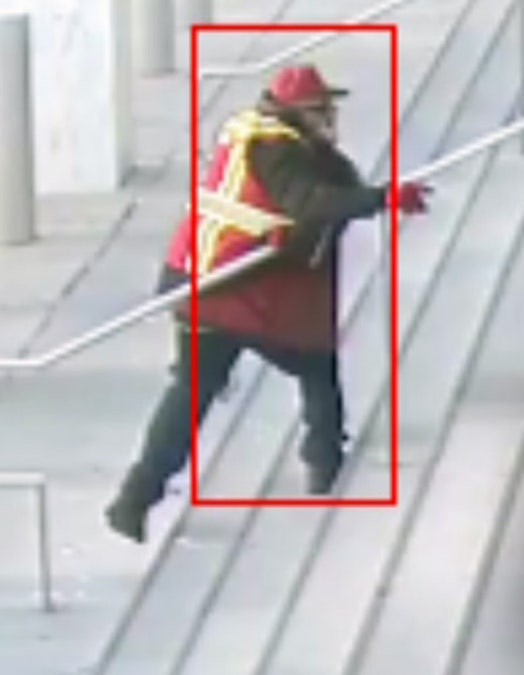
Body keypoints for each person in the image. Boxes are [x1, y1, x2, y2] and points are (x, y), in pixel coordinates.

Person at [104, 64, 430, 543]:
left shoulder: (259, 139)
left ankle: (135, 498)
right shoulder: (275, 150)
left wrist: (375, 198)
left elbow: (338, 185)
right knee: (316, 365)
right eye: (321, 109)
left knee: (192, 391)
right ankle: (324, 461)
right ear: (297, 113)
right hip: (243, 290)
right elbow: (311, 202)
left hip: (204, 282)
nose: (330, 117)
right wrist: (381, 198)